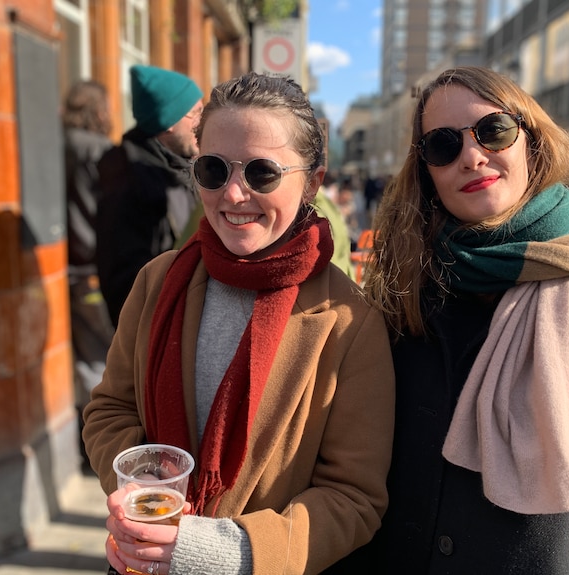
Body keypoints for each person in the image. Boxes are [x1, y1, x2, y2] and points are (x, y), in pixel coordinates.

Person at [351, 66, 569, 573]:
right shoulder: (406, 287)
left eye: (494, 131)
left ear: (531, 142)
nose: (472, 156)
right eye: (443, 146)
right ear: (426, 169)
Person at [82, 72, 395, 575]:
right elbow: (110, 409)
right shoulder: (157, 281)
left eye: (262, 173)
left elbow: (353, 499)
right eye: (212, 168)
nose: (232, 193)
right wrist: (143, 491)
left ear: (312, 181)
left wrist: (219, 551)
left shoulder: (349, 322)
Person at [96, 65, 204, 326]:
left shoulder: (176, 166)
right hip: (155, 330)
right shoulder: (129, 179)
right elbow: (124, 281)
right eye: (196, 113)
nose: (203, 123)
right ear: (168, 122)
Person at [62, 79, 117, 417]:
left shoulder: (57, 144)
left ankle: (89, 432)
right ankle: (102, 432)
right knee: (109, 354)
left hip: (63, 266)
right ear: (99, 110)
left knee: (86, 354)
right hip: (95, 266)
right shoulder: (99, 150)